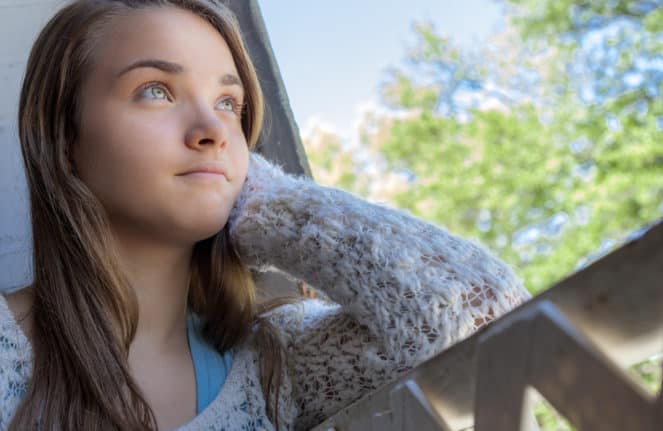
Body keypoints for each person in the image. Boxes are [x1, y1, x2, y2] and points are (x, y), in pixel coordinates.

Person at [0, 1, 530, 430]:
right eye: (155, 91)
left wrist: (262, 203)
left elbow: (486, 312)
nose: (211, 128)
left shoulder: (275, 362)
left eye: (229, 103)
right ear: (64, 139)